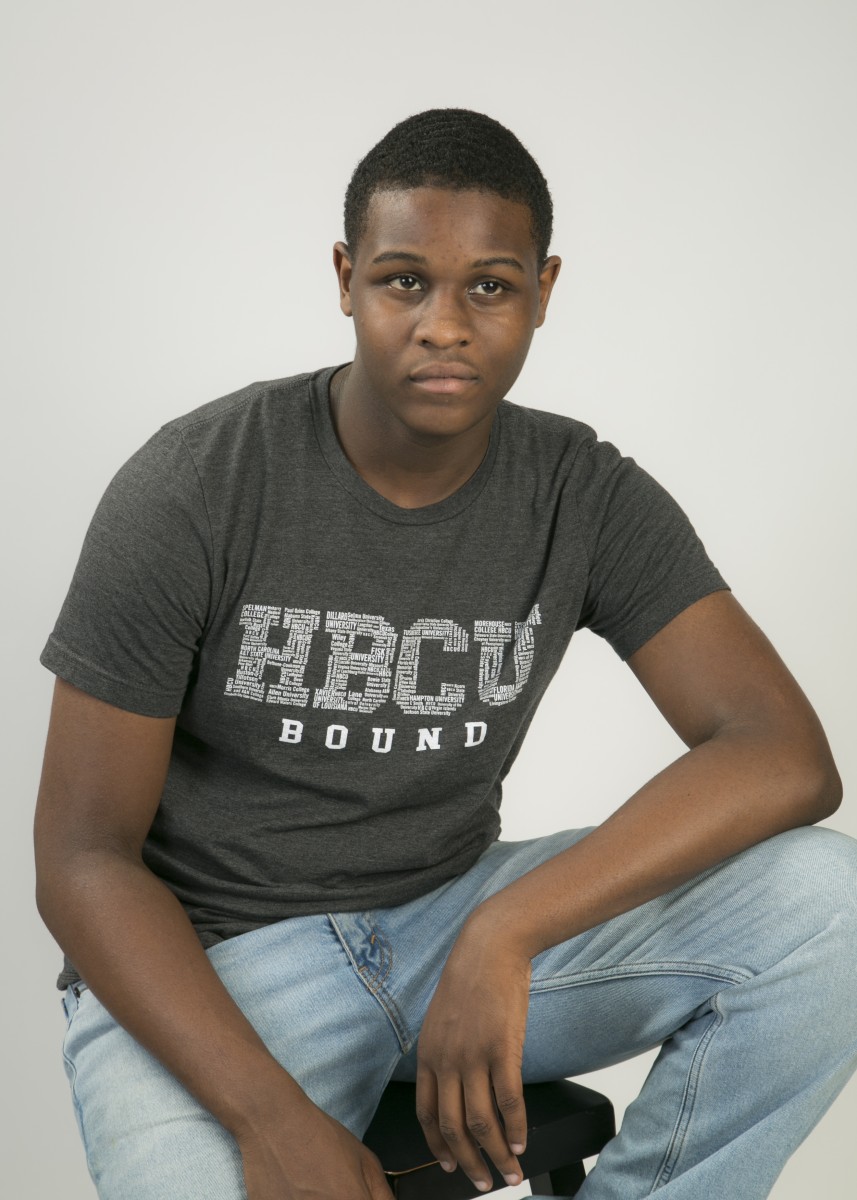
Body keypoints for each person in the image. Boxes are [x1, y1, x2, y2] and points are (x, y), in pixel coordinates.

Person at [35, 108, 857, 1200]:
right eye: (404, 281)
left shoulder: (580, 493)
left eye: (489, 286)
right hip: (223, 964)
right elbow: (83, 857)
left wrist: (505, 929)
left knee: (830, 906)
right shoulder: (195, 487)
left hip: (450, 915)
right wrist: (270, 1118)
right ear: (346, 279)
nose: (445, 326)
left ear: (542, 291)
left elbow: (780, 754)